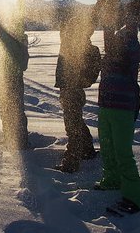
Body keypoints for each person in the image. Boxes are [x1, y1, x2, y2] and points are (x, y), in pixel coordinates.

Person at [94, 0, 140, 214]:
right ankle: (112, 180)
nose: (117, 34)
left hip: (123, 109)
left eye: (124, 30)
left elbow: (122, 29)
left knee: (123, 153)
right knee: (107, 147)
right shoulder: (116, 44)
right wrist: (110, 7)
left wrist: (127, 8)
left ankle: (134, 197)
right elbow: (109, 30)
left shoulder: (131, 46)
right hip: (106, 105)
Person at [54, 10, 101, 173]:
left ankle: (71, 162)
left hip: (71, 91)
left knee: (72, 125)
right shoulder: (74, 42)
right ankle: (87, 150)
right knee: (76, 121)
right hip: (72, 90)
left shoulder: (76, 44)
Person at [0, 0, 30, 150]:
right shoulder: (0, 34)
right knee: (4, 109)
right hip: (2, 77)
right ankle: (9, 138)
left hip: (12, 78)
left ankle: (21, 142)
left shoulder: (15, 30)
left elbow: (20, 10)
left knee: (16, 110)